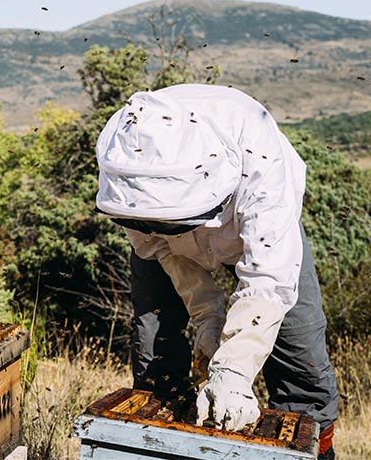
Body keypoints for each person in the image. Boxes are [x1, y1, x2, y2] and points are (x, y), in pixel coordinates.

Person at [95, 84, 338, 459]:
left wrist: (235, 369)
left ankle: (315, 453)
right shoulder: (127, 161)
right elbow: (160, 246)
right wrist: (208, 318)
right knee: (155, 348)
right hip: (164, 249)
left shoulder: (262, 165)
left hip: (256, 238)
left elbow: (268, 280)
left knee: (300, 349)